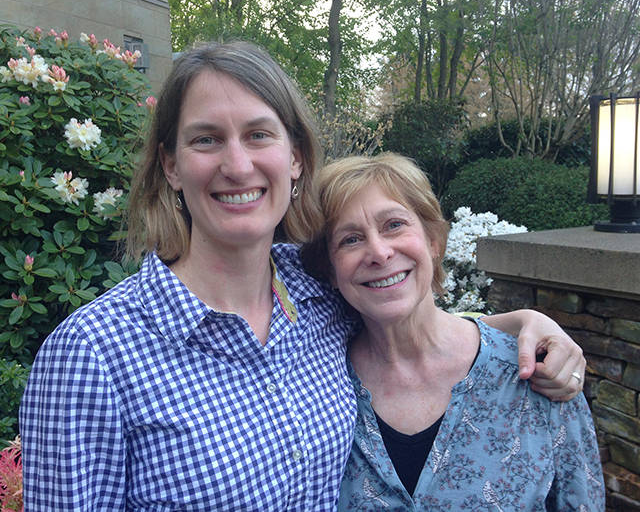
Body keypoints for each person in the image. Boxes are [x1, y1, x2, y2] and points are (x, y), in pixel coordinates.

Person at [20, 41, 585, 511]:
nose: (237, 165)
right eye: (206, 138)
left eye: (259, 134)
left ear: (295, 158)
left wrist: (526, 324)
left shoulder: (317, 294)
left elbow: (407, 318)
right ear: (171, 165)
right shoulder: (91, 357)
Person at [302, 153, 604, 511]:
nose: (379, 252)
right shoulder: (316, 386)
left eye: (394, 225)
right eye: (350, 240)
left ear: (433, 241)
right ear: (331, 273)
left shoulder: (536, 373)